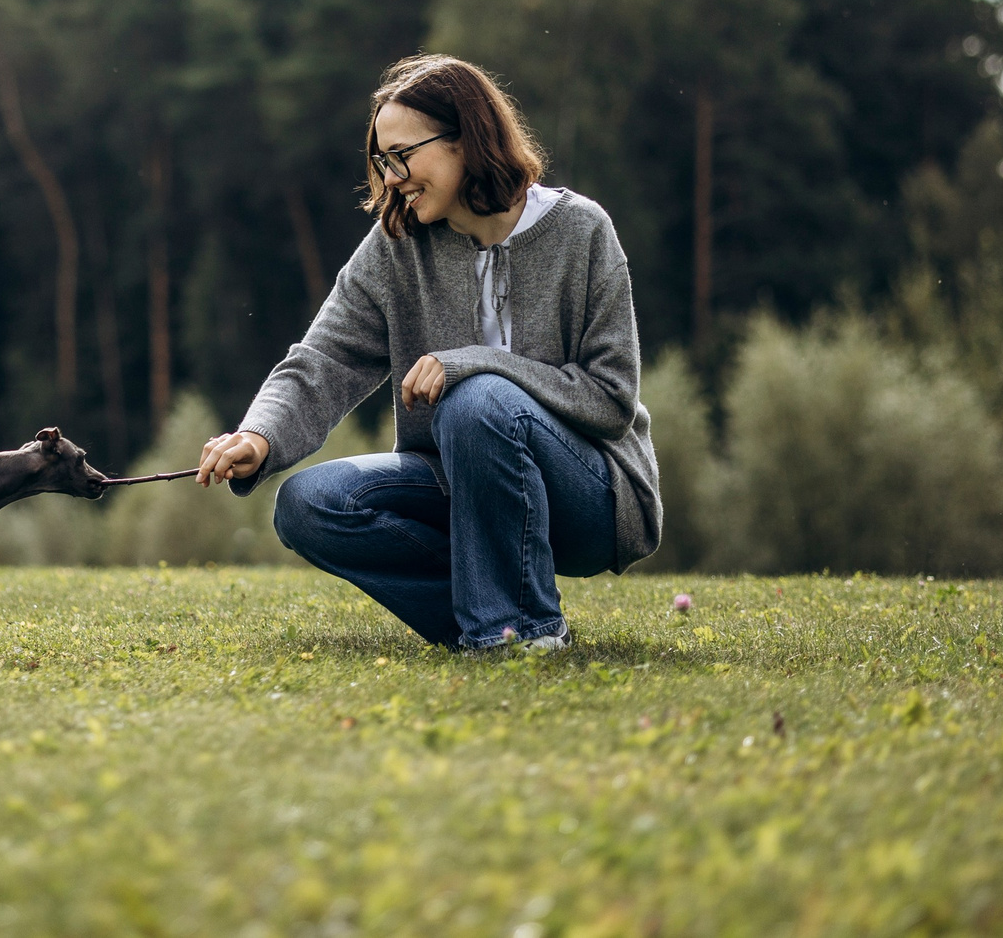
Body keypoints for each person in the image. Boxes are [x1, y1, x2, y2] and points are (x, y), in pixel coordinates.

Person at [195, 54, 661, 652]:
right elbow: (325, 359)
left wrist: (475, 362)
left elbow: (611, 400)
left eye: (402, 156)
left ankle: (523, 630)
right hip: (457, 486)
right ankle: (488, 624)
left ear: (466, 139)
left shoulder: (583, 230)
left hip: (592, 495)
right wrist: (260, 435)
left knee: (477, 399)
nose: (391, 178)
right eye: (381, 162)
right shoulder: (397, 245)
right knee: (309, 504)